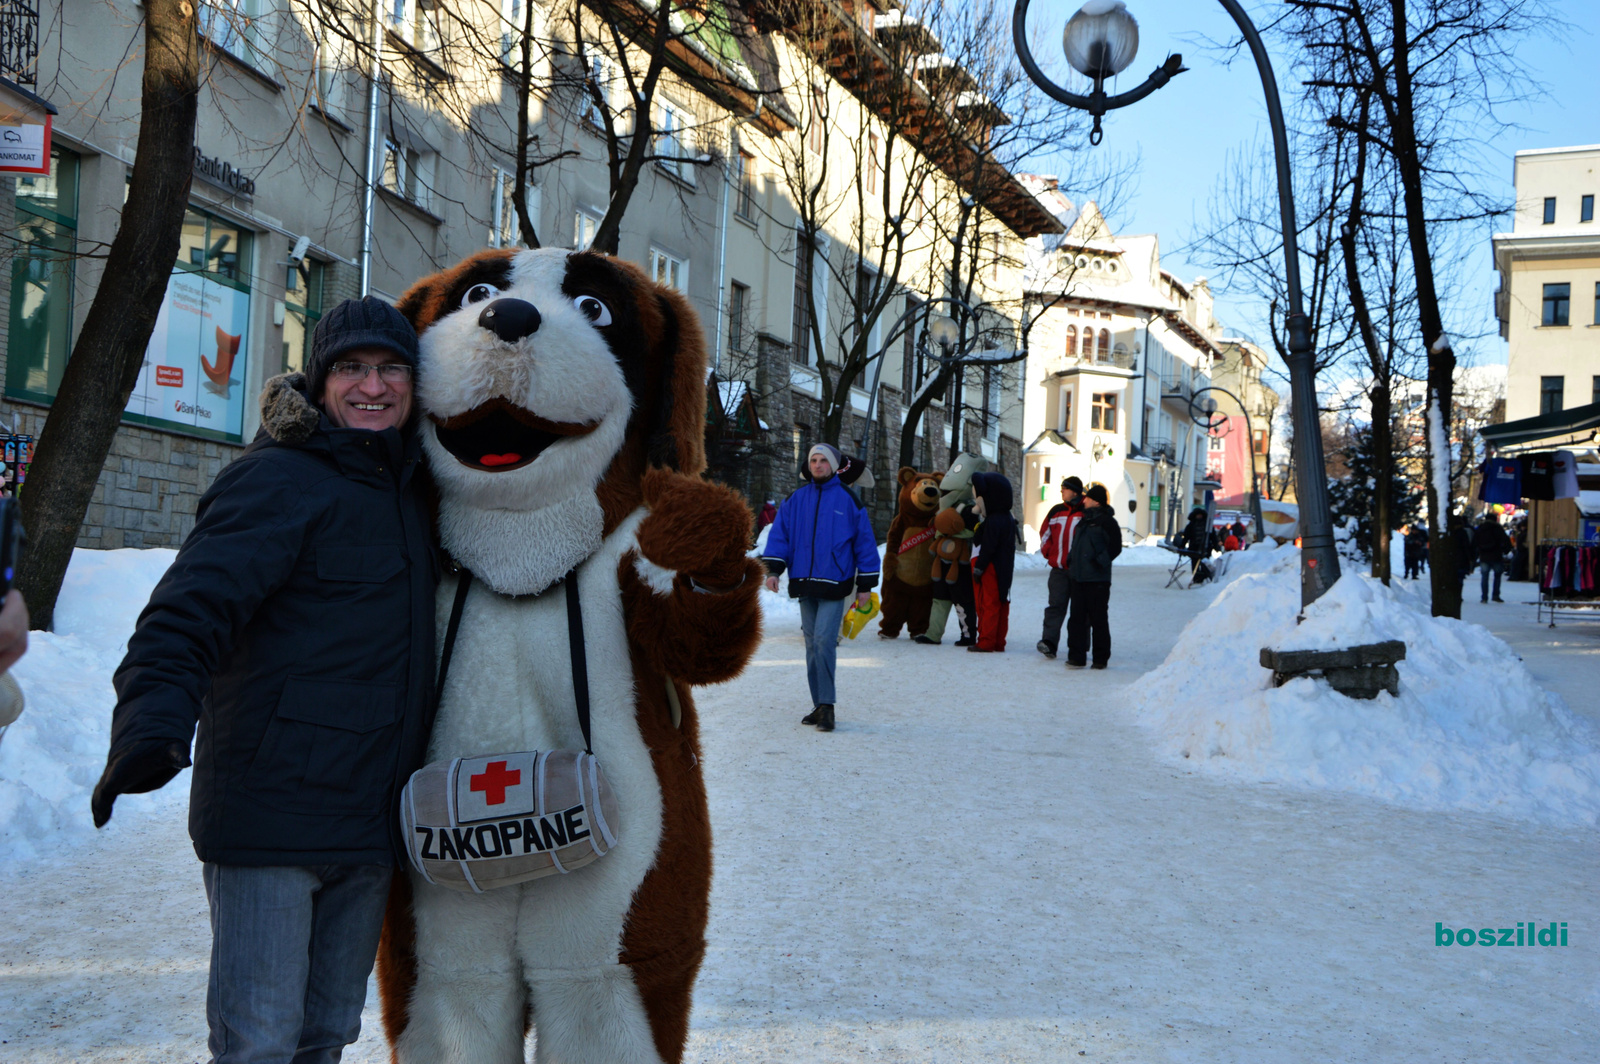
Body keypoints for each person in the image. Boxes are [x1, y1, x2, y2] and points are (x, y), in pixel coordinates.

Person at [90, 296, 438, 1064]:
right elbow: (186, 614)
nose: (371, 386)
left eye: (390, 369)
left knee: (325, 1036)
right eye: (350, 369)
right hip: (269, 814)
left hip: (370, 819)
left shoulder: (418, 493)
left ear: (415, 386)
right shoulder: (275, 481)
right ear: (319, 385)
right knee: (258, 1042)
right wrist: (151, 724)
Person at [762, 443, 880, 732]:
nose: (817, 465)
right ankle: (819, 704)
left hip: (835, 583)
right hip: (804, 583)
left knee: (824, 642)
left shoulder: (849, 501)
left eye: (823, 461)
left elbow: (865, 544)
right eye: (813, 460)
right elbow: (780, 537)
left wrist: (865, 584)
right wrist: (774, 570)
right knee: (812, 646)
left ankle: (827, 706)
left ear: (834, 466)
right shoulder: (795, 500)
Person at [1066, 482, 1120, 669]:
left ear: (1097, 502)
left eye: (1088, 497)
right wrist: (1071, 559)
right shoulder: (1083, 521)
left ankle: (1100, 658)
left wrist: (1099, 562)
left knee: (1098, 620)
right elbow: (1077, 546)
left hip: (1097, 580)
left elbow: (1115, 547)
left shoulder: (1108, 522)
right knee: (1076, 620)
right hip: (1079, 578)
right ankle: (1076, 656)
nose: (1085, 499)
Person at [968, 471, 1016, 653]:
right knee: (1001, 602)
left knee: (986, 603)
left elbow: (988, 546)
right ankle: (998, 641)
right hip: (1004, 568)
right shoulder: (1008, 518)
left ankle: (986, 641)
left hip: (989, 568)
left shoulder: (994, 520)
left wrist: (979, 567)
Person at [1036, 476, 1083, 659]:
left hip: (1079, 572)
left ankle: (1079, 648)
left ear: (1075, 491)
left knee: (1080, 612)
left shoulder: (1085, 512)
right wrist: (1049, 553)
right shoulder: (1056, 511)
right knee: (1055, 607)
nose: (1061, 491)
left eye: (1064, 488)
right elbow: (1045, 534)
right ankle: (1049, 643)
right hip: (1058, 571)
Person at [1473, 514, 1511, 603]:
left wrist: (1475, 554)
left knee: (1484, 576)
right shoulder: (1498, 528)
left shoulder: (1480, 528)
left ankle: (1484, 597)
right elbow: (1505, 541)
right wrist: (1505, 551)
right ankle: (1495, 595)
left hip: (1484, 555)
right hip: (1496, 555)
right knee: (1497, 576)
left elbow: (1475, 542)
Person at [1174, 506, 1214, 584]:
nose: (1199, 516)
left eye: (1200, 515)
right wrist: (1182, 545)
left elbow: (1213, 536)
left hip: (1205, 549)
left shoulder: (1207, 526)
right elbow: (1186, 537)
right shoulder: (1191, 526)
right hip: (1194, 548)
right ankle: (1196, 578)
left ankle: (1204, 577)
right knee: (1195, 563)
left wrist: (1216, 546)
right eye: (1198, 515)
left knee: (1204, 564)